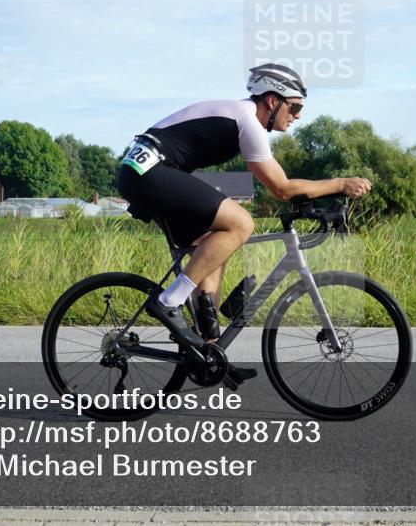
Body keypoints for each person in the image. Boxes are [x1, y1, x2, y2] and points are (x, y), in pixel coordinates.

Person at [116, 63, 372, 381]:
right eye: (294, 106)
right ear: (271, 100)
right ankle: (169, 301)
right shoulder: (247, 120)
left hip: (145, 171)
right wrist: (340, 184)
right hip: (148, 172)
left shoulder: (244, 119)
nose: (298, 115)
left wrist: (312, 202)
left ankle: (206, 352)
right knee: (241, 223)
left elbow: (286, 189)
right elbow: (281, 188)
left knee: (213, 247)